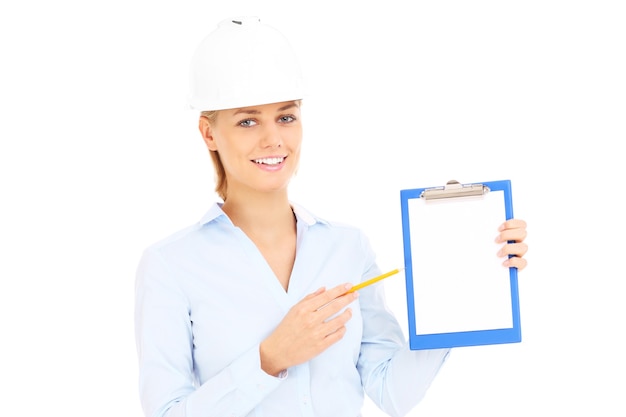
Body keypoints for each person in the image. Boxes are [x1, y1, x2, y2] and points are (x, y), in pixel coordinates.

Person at [134, 17, 529, 417]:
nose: (273, 139)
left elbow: (392, 392)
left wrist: (464, 287)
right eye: (247, 121)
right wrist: (269, 359)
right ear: (208, 133)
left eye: (286, 117)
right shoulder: (170, 266)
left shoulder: (346, 247)